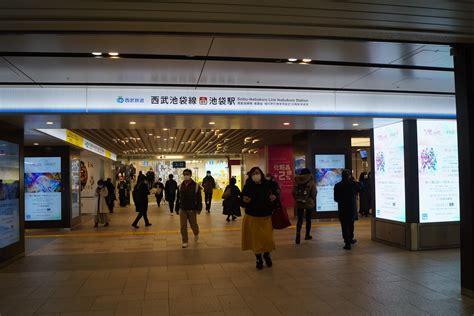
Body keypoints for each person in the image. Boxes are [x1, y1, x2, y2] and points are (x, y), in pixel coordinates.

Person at [241, 167, 277, 270]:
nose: (255, 175)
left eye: (257, 173)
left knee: (267, 238)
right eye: (253, 174)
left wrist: (274, 198)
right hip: (253, 216)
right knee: (256, 240)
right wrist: (244, 200)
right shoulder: (248, 185)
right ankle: (258, 258)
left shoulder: (267, 185)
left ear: (261, 174)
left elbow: (275, 195)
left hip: (266, 215)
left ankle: (267, 254)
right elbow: (242, 198)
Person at [334, 169, 363, 250]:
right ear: (350, 176)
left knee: (344, 225)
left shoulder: (338, 185)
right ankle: (350, 239)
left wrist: (341, 201)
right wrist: (354, 180)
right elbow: (361, 186)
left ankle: (347, 242)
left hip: (342, 208)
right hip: (352, 208)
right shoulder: (353, 184)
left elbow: (335, 198)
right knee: (351, 224)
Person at [176, 169, 202, 248]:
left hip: (192, 209)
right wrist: (177, 208)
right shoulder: (180, 186)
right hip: (183, 208)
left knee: (193, 225)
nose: (185, 176)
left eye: (187, 174)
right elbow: (178, 198)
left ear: (190, 175)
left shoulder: (196, 186)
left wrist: (199, 208)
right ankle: (185, 241)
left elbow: (199, 198)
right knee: (183, 226)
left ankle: (196, 233)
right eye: (184, 174)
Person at [293, 168, 317, 244]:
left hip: (299, 202)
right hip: (308, 202)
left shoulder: (297, 181)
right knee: (308, 219)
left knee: (299, 219)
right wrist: (312, 199)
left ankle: (298, 234)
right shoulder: (311, 181)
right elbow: (314, 192)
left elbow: (293, 192)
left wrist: (298, 198)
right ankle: (307, 235)